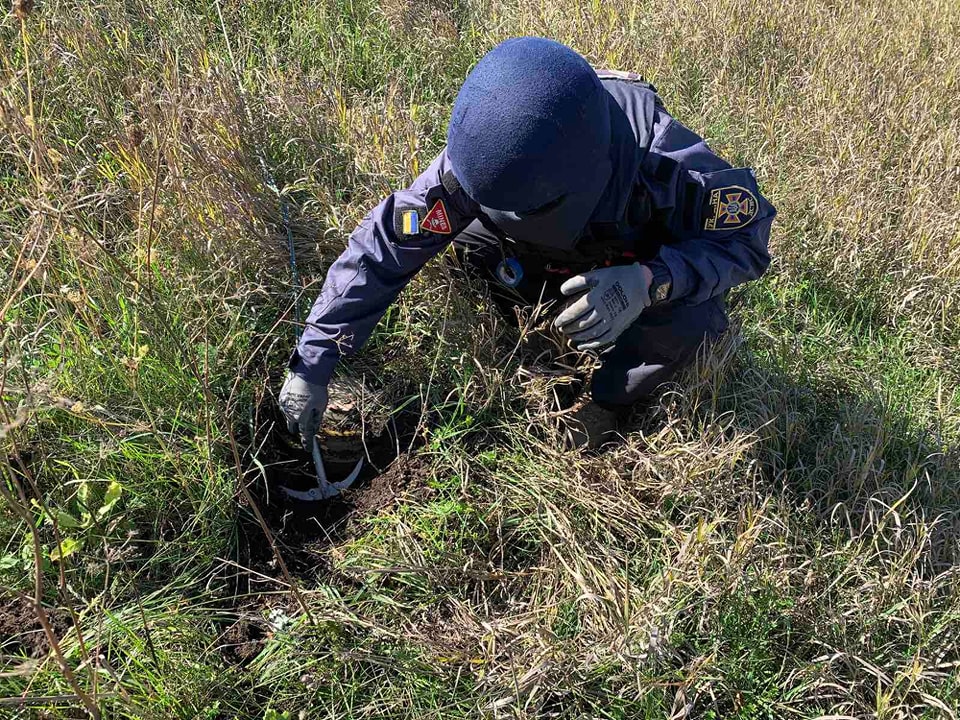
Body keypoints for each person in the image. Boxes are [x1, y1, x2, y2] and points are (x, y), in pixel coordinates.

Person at [279, 37, 775, 450]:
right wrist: (314, 358)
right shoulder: (487, 155)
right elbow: (387, 242)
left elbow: (746, 246)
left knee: (694, 320)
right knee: (469, 239)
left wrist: (651, 281)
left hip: (629, 258)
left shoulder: (670, 168)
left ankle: (608, 401)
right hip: (539, 247)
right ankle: (525, 309)